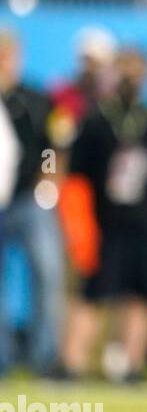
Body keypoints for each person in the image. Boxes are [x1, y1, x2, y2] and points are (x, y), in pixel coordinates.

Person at [57, 49, 147, 382]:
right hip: (107, 224)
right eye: (125, 70)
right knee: (92, 295)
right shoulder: (95, 121)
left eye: (137, 71)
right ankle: (69, 364)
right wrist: (80, 229)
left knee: (143, 296)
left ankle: (132, 365)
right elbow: (76, 182)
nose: (131, 78)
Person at [0, 30, 63, 378]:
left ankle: (45, 357)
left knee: (48, 274)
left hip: (28, 199)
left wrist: (48, 179)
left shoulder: (36, 99)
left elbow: (53, 146)